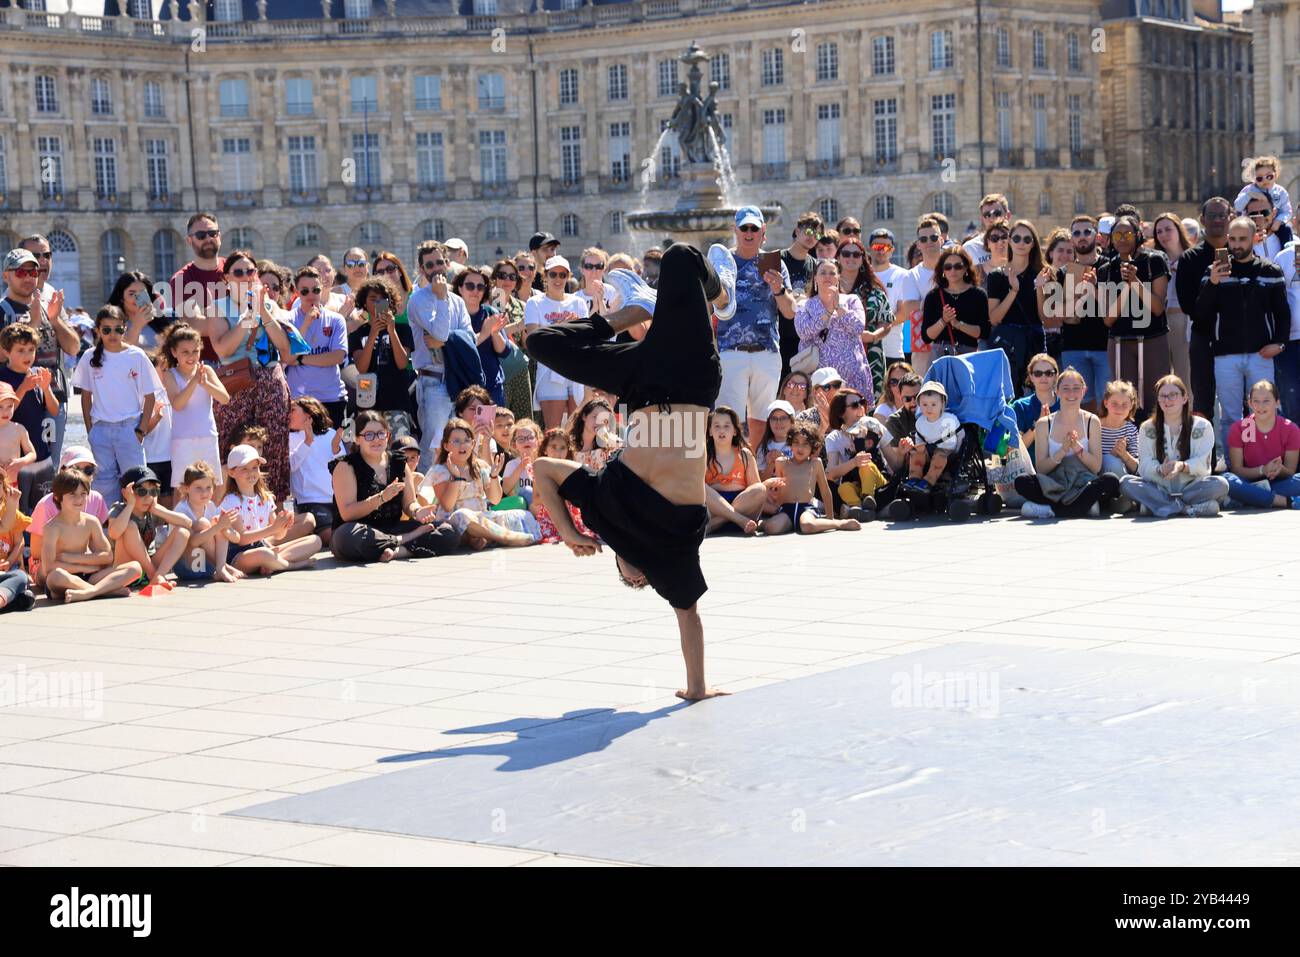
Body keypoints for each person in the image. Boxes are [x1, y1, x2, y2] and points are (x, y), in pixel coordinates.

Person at [527, 242, 736, 700]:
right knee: (682, 258)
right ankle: (722, 294)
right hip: (692, 384)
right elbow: (689, 618)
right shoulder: (674, 553)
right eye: (640, 580)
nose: (634, 574)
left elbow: (543, 468)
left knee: (539, 342)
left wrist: (570, 533)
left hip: (639, 386)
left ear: (618, 563)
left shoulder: (603, 513)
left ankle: (631, 312)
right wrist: (697, 689)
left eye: (627, 576)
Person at [209, 250, 295, 501]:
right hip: (237, 385)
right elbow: (223, 348)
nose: (246, 276)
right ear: (226, 278)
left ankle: (273, 507)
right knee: (233, 445)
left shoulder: (268, 304)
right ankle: (232, 507)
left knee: (274, 446)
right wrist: (247, 318)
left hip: (270, 382)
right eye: (238, 272)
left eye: (250, 271)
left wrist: (264, 312)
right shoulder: (217, 307)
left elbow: (284, 348)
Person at [1198, 215, 1290, 441]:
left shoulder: (1271, 271)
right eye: (1233, 239)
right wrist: (1213, 283)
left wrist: (1279, 343)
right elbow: (1201, 313)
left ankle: (1265, 458)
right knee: (1230, 415)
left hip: (1261, 354)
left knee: (1264, 412)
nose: (1237, 244)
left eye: (1243, 239)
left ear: (1255, 238)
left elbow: (1282, 312)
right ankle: (1233, 465)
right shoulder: (1215, 270)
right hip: (1225, 355)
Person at [331, 409, 462, 563]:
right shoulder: (346, 466)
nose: (376, 440)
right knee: (346, 537)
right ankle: (405, 540)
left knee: (449, 531)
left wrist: (417, 511)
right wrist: (381, 498)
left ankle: (400, 551)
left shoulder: (398, 462)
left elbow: (409, 503)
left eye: (381, 434)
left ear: (387, 435)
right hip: (359, 530)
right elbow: (347, 513)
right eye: (368, 435)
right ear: (357, 439)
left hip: (392, 527)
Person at [72, 306, 164, 503]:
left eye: (118, 329)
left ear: (125, 328)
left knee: (138, 481)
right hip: (101, 429)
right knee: (103, 483)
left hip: (130, 428)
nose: (112, 334)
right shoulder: (89, 356)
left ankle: (140, 528)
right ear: (97, 330)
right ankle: (108, 528)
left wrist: (141, 430)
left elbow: (150, 397)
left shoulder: (136, 355)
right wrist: (91, 429)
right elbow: (85, 396)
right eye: (106, 329)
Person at [718, 206, 793, 442]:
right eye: (744, 228)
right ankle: (734, 473)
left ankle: (756, 468)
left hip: (767, 352)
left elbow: (790, 312)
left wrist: (778, 289)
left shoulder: (775, 263)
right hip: (731, 350)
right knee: (729, 420)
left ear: (763, 231)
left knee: (763, 419)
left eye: (754, 228)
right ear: (735, 230)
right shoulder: (722, 262)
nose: (749, 232)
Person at [0, 247, 77, 466]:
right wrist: (33, 324)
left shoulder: (47, 305)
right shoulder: (2, 309)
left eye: (33, 272)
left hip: (51, 396)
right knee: (13, 465)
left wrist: (54, 320)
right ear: (6, 275)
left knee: (48, 465)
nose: (29, 277)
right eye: (21, 272)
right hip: (13, 400)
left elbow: (73, 348)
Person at [1014, 368, 1120, 518]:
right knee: (1021, 481)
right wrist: (1062, 450)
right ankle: (1081, 508)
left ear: (1084, 391)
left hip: (1083, 483)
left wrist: (1077, 447)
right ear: (1057, 391)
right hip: (1053, 484)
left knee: (1111, 480)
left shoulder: (1092, 421)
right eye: (1066, 389)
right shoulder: (1044, 423)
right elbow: (1042, 469)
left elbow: (1096, 467)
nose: (1071, 394)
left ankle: (1051, 510)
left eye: (1076, 388)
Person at [1118, 375, 1228, 517]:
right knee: (1125, 483)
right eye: (1162, 396)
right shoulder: (1147, 427)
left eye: (1173, 395)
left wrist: (1181, 466)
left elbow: (1203, 465)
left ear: (1184, 398)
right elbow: (1144, 466)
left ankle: (1157, 505)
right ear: (1158, 400)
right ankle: (1186, 509)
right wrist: (1159, 468)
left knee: (1221, 484)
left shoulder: (1202, 426)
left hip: (1191, 487)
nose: (1167, 400)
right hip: (1159, 487)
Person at [420, 418, 538, 547]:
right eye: (456, 441)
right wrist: (456, 477)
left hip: (482, 518)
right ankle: (504, 538)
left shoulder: (480, 467)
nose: (462, 445)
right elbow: (448, 506)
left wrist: (493, 476)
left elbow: (495, 500)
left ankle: (480, 538)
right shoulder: (440, 470)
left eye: (466, 441)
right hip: (454, 522)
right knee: (462, 515)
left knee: (521, 514)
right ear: (446, 445)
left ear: (472, 444)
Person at [407, 241, 471, 471]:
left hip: (458, 378)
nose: (436, 268)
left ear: (447, 263)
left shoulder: (458, 300)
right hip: (433, 380)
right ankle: (426, 492)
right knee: (434, 443)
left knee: (463, 439)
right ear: (422, 269)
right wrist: (442, 298)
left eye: (439, 262)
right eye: (429, 264)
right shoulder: (418, 300)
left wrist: (445, 341)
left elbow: (469, 338)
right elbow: (440, 332)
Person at [40, 467, 142, 603]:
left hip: (89, 576)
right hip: (65, 578)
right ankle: (103, 591)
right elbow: (49, 567)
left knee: (135, 567)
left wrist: (71, 558)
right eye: (72, 494)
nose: (79, 499)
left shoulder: (91, 522)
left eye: (83, 493)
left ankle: (90, 592)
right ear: (58, 497)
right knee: (55, 576)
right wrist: (82, 567)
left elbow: (107, 556)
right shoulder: (52, 528)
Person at [1100, 215, 1169, 415]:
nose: (1122, 239)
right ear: (1111, 238)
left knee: (1155, 400)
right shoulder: (1107, 269)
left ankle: (1156, 444)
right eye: (1117, 234)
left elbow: (1157, 308)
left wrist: (1135, 282)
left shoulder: (1154, 260)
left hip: (1152, 339)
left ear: (1138, 235)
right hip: (1120, 341)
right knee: (1125, 402)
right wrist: (1126, 287)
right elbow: (1108, 319)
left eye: (1127, 233)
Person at [220, 444, 322, 574]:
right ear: (231, 472)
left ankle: (272, 564)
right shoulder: (231, 501)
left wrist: (283, 526)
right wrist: (272, 529)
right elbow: (242, 539)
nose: (251, 473)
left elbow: (278, 535)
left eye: (254, 468)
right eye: (244, 469)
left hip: (262, 547)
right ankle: (290, 565)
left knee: (315, 541)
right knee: (264, 554)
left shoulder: (264, 498)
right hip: (238, 556)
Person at [1177, 197, 1234, 422]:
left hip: (1237, 337)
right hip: (1203, 337)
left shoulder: (1241, 252)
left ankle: (1244, 457)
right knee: (1203, 403)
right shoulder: (1190, 258)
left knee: (1243, 402)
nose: (1218, 220)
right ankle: (1204, 457)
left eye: (1223, 215)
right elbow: (1187, 305)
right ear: (1203, 219)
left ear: (1231, 217)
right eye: (1213, 216)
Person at [756, 421, 861, 535]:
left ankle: (839, 523)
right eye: (796, 443)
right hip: (786, 509)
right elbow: (779, 490)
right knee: (772, 528)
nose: (800, 448)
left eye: (805, 444)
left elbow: (825, 491)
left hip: (806, 508)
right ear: (790, 444)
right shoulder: (781, 463)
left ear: (813, 446)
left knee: (807, 526)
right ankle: (766, 524)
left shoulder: (815, 463)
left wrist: (830, 518)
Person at [161, 323, 229, 493]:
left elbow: (225, 398)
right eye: (185, 352)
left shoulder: (206, 370)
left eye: (195, 351)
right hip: (182, 440)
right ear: (174, 352)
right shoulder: (170, 374)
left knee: (210, 485)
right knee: (182, 487)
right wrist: (194, 381)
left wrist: (206, 383)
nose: (191, 356)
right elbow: (177, 404)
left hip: (207, 436)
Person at [794, 258, 873, 402]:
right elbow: (803, 332)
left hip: (852, 378)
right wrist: (828, 312)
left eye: (832, 273)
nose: (827, 276)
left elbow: (859, 327)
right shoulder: (804, 305)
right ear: (815, 278)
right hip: (819, 379)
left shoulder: (851, 300)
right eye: (823, 273)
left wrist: (839, 308)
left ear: (838, 278)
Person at [349, 273, 416, 440]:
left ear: (390, 302)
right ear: (364, 302)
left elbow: (402, 363)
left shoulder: (402, 329)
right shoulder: (358, 334)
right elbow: (362, 368)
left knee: (400, 452)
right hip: (368, 406)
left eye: (382, 299)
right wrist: (373, 334)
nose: (378, 302)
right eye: (373, 298)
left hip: (396, 403)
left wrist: (391, 330)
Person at [525, 255, 589, 429]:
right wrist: (562, 327)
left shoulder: (578, 302)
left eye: (563, 275)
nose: (558, 279)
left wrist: (575, 327)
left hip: (575, 370)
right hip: (550, 369)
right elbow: (533, 339)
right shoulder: (535, 303)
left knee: (576, 430)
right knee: (553, 430)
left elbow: (587, 338)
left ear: (568, 276)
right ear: (545, 276)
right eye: (553, 274)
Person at [106, 465, 192, 591]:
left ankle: (158, 575)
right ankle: (154, 575)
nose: (148, 497)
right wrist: (130, 505)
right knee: (130, 526)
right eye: (142, 492)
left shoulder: (152, 509)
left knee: (182, 532)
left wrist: (157, 510)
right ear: (126, 493)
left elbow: (187, 523)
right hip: (127, 569)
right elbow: (114, 533)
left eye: (153, 492)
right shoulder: (120, 508)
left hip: (149, 566)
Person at [0, 325, 58, 512]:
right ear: (6, 351)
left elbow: (54, 410)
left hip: (41, 454)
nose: (28, 355)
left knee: (43, 509)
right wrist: (23, 388)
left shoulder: (38, 372)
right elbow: (7, 414)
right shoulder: (2, 376)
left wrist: (46, 388)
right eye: (21, 350)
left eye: (31, 350)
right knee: (18, 512)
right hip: (15, 463)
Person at [986, 221, 1047, 393]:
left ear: (1033, 243)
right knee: (1009, 395)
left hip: (1033, 343)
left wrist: (1040, 287)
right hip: (1007, 344)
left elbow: (1044, 318)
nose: (1021, 243)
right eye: (1017, 238)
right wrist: (1013, 290)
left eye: (1027, 239)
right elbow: (995, 318)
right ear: (1010, 241)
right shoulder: (996, 275)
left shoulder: (1042, 273)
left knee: (1036, 395)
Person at [284, 266, 348, 429]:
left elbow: (338, 356)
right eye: (305, 291)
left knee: (332, 450)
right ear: (297, 293)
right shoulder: (288, 319)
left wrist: (302, 359)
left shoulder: (336, 319)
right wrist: (305, 325)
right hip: (299, 401)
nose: (311, 295)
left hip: (331, 398)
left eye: (316, 290)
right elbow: (288, 358)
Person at [1224, 380, 1300, 509]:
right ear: (1250, 403)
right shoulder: (1239, 428)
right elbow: (1237, 470)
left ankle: (1250, 497)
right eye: (1256, 401)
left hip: (1278, 482)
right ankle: (1285, 501)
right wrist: (1262, 470)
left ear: (1277, 402)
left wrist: (1279, 470)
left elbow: (1290, 471)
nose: (1261, 406)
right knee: (1226, 480)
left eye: (1266, 401)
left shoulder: (1291, 429)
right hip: (1248, 481)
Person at [837, 237, 893, 399]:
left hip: (870, 355)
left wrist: (874, 335)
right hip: (835, 354)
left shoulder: (874, 290)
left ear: (863, 258)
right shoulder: (828, 287)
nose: (851, 258)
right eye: (846, 254)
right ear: (838, 257)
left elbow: (887, 322)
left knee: (867, 404)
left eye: (856, 254)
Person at [171, 461, 242, 583]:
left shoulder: (210, 506)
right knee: (205, 523)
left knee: (217, 523)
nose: (204, 493)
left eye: (208, 488)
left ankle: (221, 567)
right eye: (198, 488)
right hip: (186, 565)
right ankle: (223, 567)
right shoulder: (182, 509)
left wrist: (224, 527)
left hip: (206, 564)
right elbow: (192, 542)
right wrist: (218, 527)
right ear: (187, 488)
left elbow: (237, 539)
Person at [288, 397, 344, 547]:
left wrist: (336, 448)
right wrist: (307, 441)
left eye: (292, 410)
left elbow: (343, 466)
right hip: (309, 501)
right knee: (333, 538)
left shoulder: (331, 433)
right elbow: (291, 466)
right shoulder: (289, 438)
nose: (287, 413)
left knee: (347, 531)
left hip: (337, 500)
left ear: (309, 414)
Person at [703, 406, 767, 535]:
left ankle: (715, 524)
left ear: (735, 431)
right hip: (715, 507)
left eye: (726, 426)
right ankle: (738, 519)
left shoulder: (745, 454)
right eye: (717, 426)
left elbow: (755, 489)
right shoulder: (704, 455)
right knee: (699, 485)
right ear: (710, 431)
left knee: (760, 489)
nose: (722, 430)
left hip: (742, 505)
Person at [824, 389, 887, 520]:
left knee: (866, 464)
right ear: (841, 413)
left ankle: (868, 499)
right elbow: (831, 474)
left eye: (862, 402)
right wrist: (853, 463)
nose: (860, 408)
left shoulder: (873, 425)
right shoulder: (834, 438)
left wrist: (904, 452)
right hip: (855, 484)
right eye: (854, 405)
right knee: (842, 487)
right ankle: (861, 509)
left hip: (877, 484)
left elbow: (893, 462)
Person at [455, 265, 509, 407]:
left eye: (480, 287)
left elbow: (503, 352)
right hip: (463, 390)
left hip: (492, 388)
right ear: (460, 289)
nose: (475, 291)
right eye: (470, 286)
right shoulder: (453, 315)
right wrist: (485, 333)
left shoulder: (490, 312)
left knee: (493, 428)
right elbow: (460, 350)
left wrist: (495, 333)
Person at [1152, 212, 1195, 388]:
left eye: (1168, 229)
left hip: (1183, 320)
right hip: (1159, 321)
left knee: (1186, 377)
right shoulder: (1154, 260)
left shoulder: (1192, 257)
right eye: (1159, 231)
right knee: (1161, 378)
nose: (1163, 235)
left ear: (1179, 230)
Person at [867, 228, 919, 368]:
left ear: (892, 250)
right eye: (877, 246)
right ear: (869, 248)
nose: (882, 250)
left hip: (892, 349)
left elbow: (903, 313)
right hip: (864, 348)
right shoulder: (862, 274)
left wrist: (877, 329)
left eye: (886, 246)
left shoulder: (902, 275)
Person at [923, 248, 989, 357]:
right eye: (948, 267)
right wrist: (943, 321)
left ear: (966, 268)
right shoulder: (933, 296)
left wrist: (958, 324)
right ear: (943, 270)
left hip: (968, 355)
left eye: (958, 266)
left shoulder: (978, 295)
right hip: (941, 356)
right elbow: (926, 337)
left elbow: (984, 333)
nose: (952, 270)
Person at [899, 381, 962, 492]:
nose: (929, 408)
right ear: (919, 405)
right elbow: (919, 439)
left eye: (933, 404)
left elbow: (961, 435)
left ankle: (928, 481)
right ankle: (914, 478)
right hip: (928, 448)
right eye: (925, 404)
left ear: (942, 404)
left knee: (939, 455)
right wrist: (918, 448)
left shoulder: (950, 419)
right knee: (916, 453)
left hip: (947, 451)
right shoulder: (920, 422)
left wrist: (959, 450)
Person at [1234, 155, 1294, 245]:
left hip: (1274, 225)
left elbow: (1287, 211)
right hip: (1252, 225)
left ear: (1276, 174)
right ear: (1254, 179)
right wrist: (1250, 194)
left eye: (1269, 176)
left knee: (1286, 230)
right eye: (1259, 178)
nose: (1265, 180)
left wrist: (1279, 221)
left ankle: (1286, 250)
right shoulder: (1249, 189)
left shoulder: (1281, 192)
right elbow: (1238, 206)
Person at [1011, 353, 1061, 453]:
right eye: (1038, 373)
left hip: (1063, 466)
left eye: (1049, 373)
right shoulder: (1020, 406)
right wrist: (1038, 425)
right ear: (1031, 377)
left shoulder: (1066, 404)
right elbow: (1015, 450)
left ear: (1056, 376)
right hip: (1030, 468)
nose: (1043, 377)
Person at [0, 469, 33, 612]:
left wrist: (9, 562)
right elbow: (3, 527)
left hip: (5, 571)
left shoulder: (9, 510)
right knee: (25, 598)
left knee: (20, 577)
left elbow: (19, 542)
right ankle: (10, 600)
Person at [1098, 379, 1141, 487]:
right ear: (1106, 403)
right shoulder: (1094, 425)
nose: (1119, 408)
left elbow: (1137, 468)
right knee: (1111, 461)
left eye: (1124, 404)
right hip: (1097, 478)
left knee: (1115, 463)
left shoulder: (1131, 430)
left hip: (1122, 481)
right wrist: (1111, 455)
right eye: (1115, 403)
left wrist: (1123, 454)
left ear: (1131, 405)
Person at [782, 211, 823, 300]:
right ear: (797, 231)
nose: (812, 237)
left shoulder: (816, 265)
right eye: (809, 231)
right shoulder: (778, 259)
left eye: (818, 235)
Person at [755, 399, 795, 480]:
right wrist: (771, 465)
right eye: (774, 418)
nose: (778, 422)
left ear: (792, 421)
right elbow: (760, 482)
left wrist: (783, 462)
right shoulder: (763, 447)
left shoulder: (798, 444)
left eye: (783, 418)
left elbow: (802, 475)